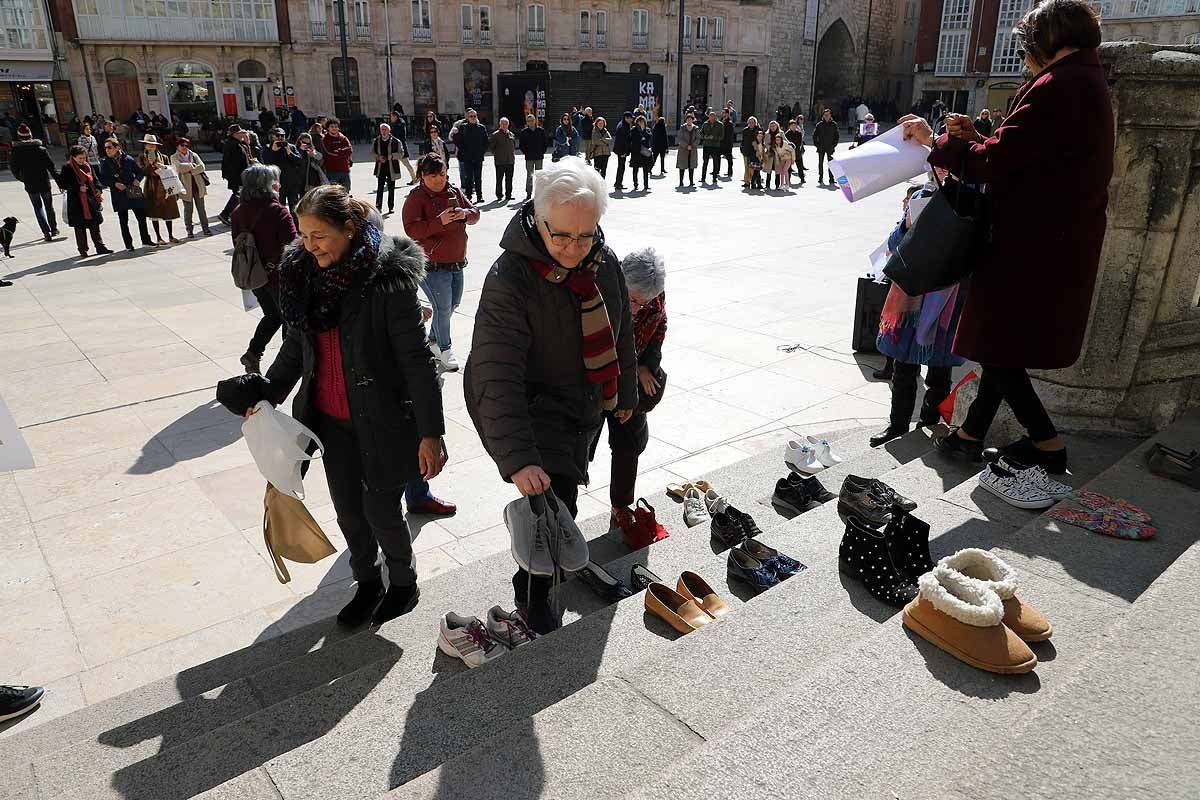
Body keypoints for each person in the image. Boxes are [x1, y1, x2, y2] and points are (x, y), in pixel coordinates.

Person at [219, 184, 446, 628]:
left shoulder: (387, 280)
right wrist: (266, 392)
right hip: (331, 423)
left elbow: (418, 362)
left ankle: (403, 582)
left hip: (384, 420)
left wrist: (431, 432)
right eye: (303, 235)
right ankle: (367, 583)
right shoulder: (303, 276)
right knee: (348, 511)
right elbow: (295, 350)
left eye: (319, 234)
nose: (309, 245)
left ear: (350, 228)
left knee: (381, 510)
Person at [902, 0, 1113, 473]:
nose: (1023, 56)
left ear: (1047, 40)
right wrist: (976, 134)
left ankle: (1047, 444)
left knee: (995, 343)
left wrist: (934, 141)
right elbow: (1028, 150)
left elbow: (993, 161)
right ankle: (970, 434)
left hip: (1031, 242)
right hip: (1049, 236)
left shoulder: (1062, 84)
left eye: (1026, 45)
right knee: (1005, 341)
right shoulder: (1081, 79)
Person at [463, 157, 637, 634]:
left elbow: (620, 330)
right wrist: (518, 458)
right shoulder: (510, 278)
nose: (573, 248)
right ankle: (537, 603)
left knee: (562, 508)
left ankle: (550, 587)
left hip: (580, 407)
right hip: (533, 411)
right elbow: (494, 375)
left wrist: (621, 392)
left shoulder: (603, 261)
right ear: (537, 218)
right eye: (560, 235)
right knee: (547, 514)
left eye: (585, 236)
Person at [870, 180, 965, 447]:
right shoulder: (921, 195)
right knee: (903, 366)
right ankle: (897, 426)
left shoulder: (969, 200)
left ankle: (928, 425)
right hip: (911, 295)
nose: (944, 171)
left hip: (947, 297)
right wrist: (908, 223)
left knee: (939, 371)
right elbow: (893, 243)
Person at [595, 246, 667, 543]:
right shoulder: (598, 289)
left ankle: (621, 506)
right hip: (595, 380)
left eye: (644, 302)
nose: (637, 308)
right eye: (633, 300)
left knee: (628, 446)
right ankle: (561, 514)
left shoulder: (654, 297)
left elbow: (659, 326)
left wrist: (646, 366)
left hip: (629, 380)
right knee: (575, 449)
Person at [402, 152, 480, 372]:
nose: (439, 180)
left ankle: (433, 341)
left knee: (451, 304)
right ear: (422, 175)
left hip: (456, 261)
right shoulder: (416, 197)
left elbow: (475, 213)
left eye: (443, 175)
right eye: (433, 175)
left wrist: (463, 214)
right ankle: (445, 350)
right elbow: (412, 230)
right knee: (443, 308)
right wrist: (440, 221)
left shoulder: (453, 191)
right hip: (432, 265)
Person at [232, 163, 299, 375]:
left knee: (272, 315)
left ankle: (253, 354)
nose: (278, 185)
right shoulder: (277, 211)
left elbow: (237, 241)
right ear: (267, 185)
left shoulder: (238, 212)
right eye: (274, 181)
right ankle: (288, 365)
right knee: (289, 320)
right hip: (279, 275)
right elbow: (292, 244)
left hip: (255, 275)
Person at [57, 144, 113, 258]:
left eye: (84, 158)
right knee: (80, 227)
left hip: (91, 200)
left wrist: (98, 189)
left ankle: (100, 246)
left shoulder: (87, 166)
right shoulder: (67, 168)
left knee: (95, 225)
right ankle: (83, 250)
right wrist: (77, 187)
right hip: (77, 202)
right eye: (80, 158)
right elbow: (62, 184)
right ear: (73, 157)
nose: (82, 160)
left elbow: (95, 179)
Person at [99, 138, 152, 250]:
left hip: (133, 190)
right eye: (105, 148)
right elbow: (103, 179)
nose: (107, 150)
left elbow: (140, 171)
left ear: (117, 147)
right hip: (119, 193)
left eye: (109, 147)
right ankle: (128, 244)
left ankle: (146, 240)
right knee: (123, 220)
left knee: (141, 217)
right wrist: (114, 184)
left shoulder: (128, 159)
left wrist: (138, 179)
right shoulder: (105, 162)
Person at [9, 124, 60, 241]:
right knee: (49, 206)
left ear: (19, 137)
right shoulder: (41, 149)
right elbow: (51, 167)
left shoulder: (16, 151)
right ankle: (54, 228)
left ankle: (46, 232)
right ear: (30, 135)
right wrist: (59, 181)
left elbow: (14, 169)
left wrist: (22, 178)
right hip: (44, 182)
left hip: (30, 184)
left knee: (38, 208)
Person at [138, 134, 181, 244]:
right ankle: (158, 237)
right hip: (152, 185)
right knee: (154, 212)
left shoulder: (164, 157)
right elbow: (143, 172)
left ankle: (171, 235)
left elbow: (171, 170)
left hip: (165, 184)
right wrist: (150, 163)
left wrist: (163, 167)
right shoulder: (142, 157)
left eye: (153, 145)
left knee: (168, 211)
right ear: (145, 146)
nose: (151, 147)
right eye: (149, 144)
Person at [170, 137, 212, 237]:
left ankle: (206, 229)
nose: (185, 147)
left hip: (198, 186)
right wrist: (191, 165)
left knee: (201, 209)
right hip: (185, 188)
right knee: (188, 210)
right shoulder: (174, 157)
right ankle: (189, 230)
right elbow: (179, 167)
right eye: (182, 145)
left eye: (186, 145)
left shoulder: (194, 155)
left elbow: (202, 167)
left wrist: (189, 170)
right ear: (177, 146)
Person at [263, 128, 303, 214]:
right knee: (279, 208)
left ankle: (294, 226)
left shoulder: (291, 147)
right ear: (272, 137)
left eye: (282, 136)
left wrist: (289, 153)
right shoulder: (267, 147)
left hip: (292, 182)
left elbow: (299, 161)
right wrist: (273, 151)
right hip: (277, 183)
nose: (280, 138)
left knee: (294, 208)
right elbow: (266, 163)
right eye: (278, 136)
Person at [452, 108, 488, 204]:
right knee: (468, 177)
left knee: (478, 177)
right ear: (468, 117)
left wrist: (482, 152)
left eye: (474, 116)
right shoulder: (463, 128)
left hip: (478, 157)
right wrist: (463, 152)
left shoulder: (481, 128)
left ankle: (480, 196)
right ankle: (468, 196)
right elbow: (457, 140)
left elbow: (485, 142)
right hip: (467, 157)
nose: (473, 118)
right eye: (471, 116)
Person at [219, 124, 253, 224]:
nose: (242, 135)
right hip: (236, 175)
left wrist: (247, 142)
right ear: (235, 134)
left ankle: (232, 215)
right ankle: (225, 214)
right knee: (238, 195)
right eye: (240, 133)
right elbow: (237, 163)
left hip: (237, 175)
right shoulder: (233, 145)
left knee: (239, 195)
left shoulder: (236, 143)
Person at [372, 122, 405, 214]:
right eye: (382, 129)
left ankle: (391, 207)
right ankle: (378, 206)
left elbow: (402, 153)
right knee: (380, 188)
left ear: (389, 130)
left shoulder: (396, 141)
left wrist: (393, 156)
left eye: (385, 129)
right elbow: (372, 152)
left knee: (391, 188)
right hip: (381, 167)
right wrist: (378, 157)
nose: (383, 131)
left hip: (392, 168)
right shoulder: (376, 141)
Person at [488, 117, 517, 202]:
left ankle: (508, 195)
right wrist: (497, 154)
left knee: (509, 179)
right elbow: (491, 147)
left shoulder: (511, 134)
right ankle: (499, 195)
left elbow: (514, 146)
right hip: (500, 161)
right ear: (500, 125)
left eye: (506, 124)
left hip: (510, 161)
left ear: (508, 125)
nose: (504, 125)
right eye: (503, 124)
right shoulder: (495, 135)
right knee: (499, 179)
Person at [517, 113, 546, 197]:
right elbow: (521, 145)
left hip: (539, 157)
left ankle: (539, 193)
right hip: (529, 157)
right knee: (529, 175)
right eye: (529, 121)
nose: (531, 122)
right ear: (527, 122)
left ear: (535, 121)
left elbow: (545, 143)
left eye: (532, 120)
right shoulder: (524, 132)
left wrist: (542, 152)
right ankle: (529, 193)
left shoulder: (541, 130)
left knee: (539, 176)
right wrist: (526, 152)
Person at [321, 118, 353, 192]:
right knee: (334, 193)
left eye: (336, 126)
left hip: (345, 169)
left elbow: (350, 150)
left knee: (346, 192)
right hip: (332, 171)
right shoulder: (325, 139)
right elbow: (329, 153)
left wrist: (338, 151)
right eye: (332, 127)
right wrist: (343, 153)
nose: (334, 128)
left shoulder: (343, 138)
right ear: (328, 128)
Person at [387, 110, 417, 185]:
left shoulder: (400, 124)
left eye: (392, 116)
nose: (391, 118)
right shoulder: (394, 123)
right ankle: (390, 179)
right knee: (391, 164)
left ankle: (415, 178)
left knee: (407, 164)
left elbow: (400, 136)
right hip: (394, 147)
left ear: (395, 116)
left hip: (401, 148)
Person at [813, 108, 839, 185]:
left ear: (830, 115)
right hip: (821, 147)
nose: (827, 116)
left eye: (828, 115)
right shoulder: (819, 124)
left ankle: (831, 178)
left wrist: (834, 145)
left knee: (831, 163)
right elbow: (814, 136)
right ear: (823, 116)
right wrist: (817, 145)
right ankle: (820, 177)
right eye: (825, 115)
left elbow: (836, 136)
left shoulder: (834, 124)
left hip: (830, 147)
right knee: (820, 163)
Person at [628, 115, 654, 192]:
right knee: (635, 169)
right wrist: (641, 138)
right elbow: (633, 139)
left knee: (645, 169)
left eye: (642, 121)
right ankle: (635, 185)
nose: (641, 123)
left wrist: (643, 136)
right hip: (636, 152)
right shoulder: (634, 129)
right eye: (639, 121)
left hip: (645, 152)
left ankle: (646, 185)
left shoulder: (647, 129)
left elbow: (649, 137)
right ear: (637, 122)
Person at [675, 112, 700, 187]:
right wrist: (686, 146)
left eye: (690, 119)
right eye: (688, 119)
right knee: (682, 166)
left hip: (692, 150)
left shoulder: (696, 128)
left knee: (691, 166)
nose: (689, 121)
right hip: (683, 150)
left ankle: (691, 181)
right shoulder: (682, 128)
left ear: (692, 120)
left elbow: (698, 138)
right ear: (686, 120)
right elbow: (680, 138)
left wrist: (692, 145)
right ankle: (681, 181)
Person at [699, 110, 723, 184]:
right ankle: (703, 178)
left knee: (715, 162)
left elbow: (721, 136)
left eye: (713, 116)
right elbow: (701, 133)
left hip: (715, 146)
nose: (712, 118)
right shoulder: (705, 124)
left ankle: (714, 178)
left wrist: (714, 137)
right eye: (710, 116)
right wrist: (704, 136)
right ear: (709, 117)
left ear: (715, 117)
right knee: (705, 162)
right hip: (706, 145)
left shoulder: (720, 125)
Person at [612, 110, 633, 190]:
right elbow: (622, 141)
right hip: (621, 151)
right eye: (630, 118)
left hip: (621, 150)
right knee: (621, 167)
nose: (631, 120)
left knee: (621, 167)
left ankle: (618, 183)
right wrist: (623, 152)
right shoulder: (623, 126)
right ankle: (618, 184)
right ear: (626, 118)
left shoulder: (624, 124)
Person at [739, 116, 761, 187]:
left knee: (753, 168)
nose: (751, 124)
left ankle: (753, 181)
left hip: (755, 151)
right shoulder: (745, 130)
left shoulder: (758, 130)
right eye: (750, 122)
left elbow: (761, 140)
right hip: (746, 151)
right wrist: (741, 148)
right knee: (746, 167)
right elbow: (743, 140)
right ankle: (747, 182)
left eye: (753, 122)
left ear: (755, 123)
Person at [785, 118, 806, 186]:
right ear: (789, 126)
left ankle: (802, 178)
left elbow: (800, 142)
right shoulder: (787, 134)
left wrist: (798, 149)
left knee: (799, 166)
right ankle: (788, 179)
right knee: (788, 167)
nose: (793, 126)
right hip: (789, 152)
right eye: (792, 125)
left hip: (797, 152)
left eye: (794, 125)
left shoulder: (798, 133)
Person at [720, 107, 735, 178]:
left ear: (727, 114)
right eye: (722, 113)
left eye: (724, 113)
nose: (722, 114)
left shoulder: (729, 123)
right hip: (720, 143)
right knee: (717, 157)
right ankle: (716, 170)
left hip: (727, 143)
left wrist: (726, 141)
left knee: (729, 158)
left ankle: (730, 171)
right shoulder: (720, 121)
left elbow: (729, 134)